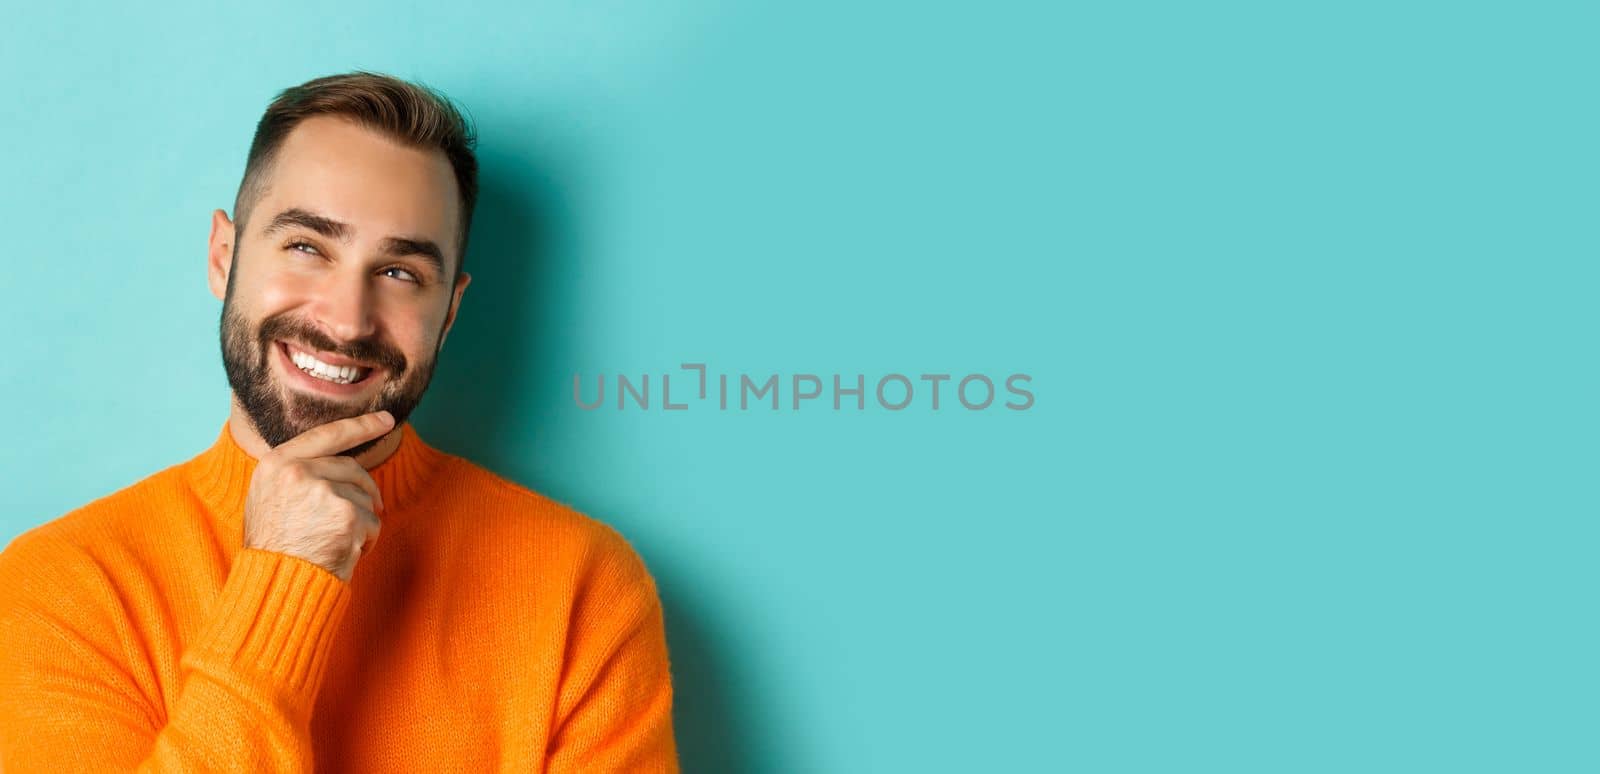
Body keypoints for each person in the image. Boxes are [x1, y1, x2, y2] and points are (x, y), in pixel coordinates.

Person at [0, 71, 679, 772]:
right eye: (307, 247)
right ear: (223, 256)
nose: (346, 319)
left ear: (448, 314)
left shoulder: (583, 586)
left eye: (400, 273)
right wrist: (284, 578)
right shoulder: (60, 588)